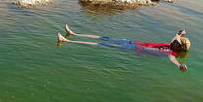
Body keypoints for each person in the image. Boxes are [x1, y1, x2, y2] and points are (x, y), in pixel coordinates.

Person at [57, 24, 190, 70]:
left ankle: (67, 41)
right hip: (135, 42)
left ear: (179, 48)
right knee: (106, 38)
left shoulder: (172, 53)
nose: (174, 41)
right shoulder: (172, 44)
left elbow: (173, 60)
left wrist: (179, 66)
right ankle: (74, 34)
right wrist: (179, 33)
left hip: (135, 49)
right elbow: (173, 38)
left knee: (104, 44)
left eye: (177, 42)